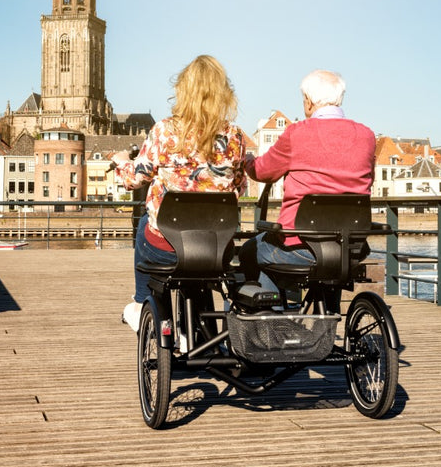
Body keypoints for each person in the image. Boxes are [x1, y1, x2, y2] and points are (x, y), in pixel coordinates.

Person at [112, 55, 248, 332]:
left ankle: (141, 304)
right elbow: (241, 185)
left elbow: (134, 178)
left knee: (145, 224)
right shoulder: (234, 136)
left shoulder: (164, 131)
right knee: (198, 264)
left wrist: (122, 160)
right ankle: (197, 330)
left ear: (183, 92)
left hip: (167, 248)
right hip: (216, 248)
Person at [241, 69, 375, 298]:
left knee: (250, 250)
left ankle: (271, 320)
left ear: (310, 101)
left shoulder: (297, 133)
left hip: (300, 247)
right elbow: (367, 178)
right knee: (328, 260)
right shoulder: (367, 135)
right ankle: (325, 317)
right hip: (348, 248)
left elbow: (262, 172)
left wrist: (248, 161)